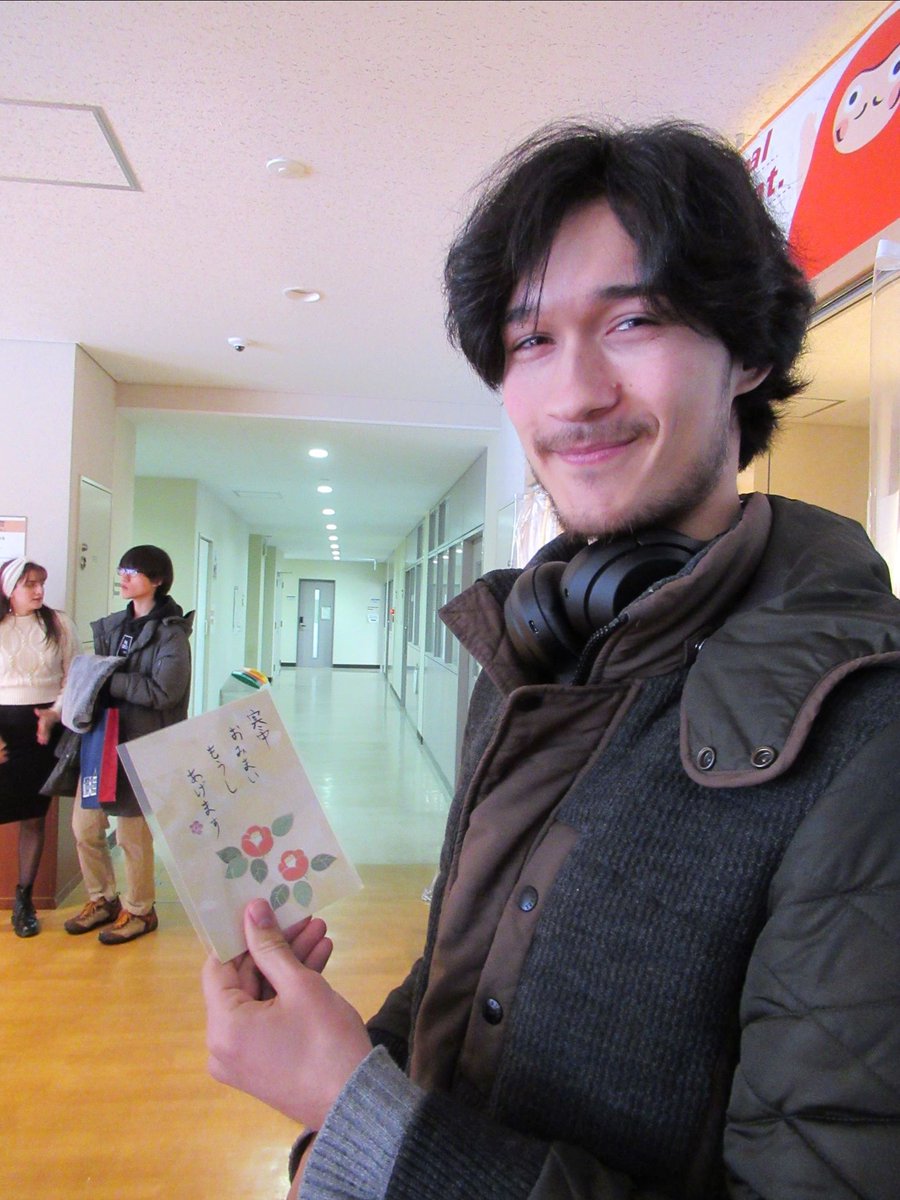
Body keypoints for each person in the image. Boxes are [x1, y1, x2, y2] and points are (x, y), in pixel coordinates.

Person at [202, 122, 900, 1199]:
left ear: (750, 352)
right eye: (530, 340)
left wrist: (355, 1112)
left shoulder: (868, 737)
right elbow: (460, 975)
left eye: (633, 321)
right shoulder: (530, 655)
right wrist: (342, 1084)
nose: (574, 394)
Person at [64, 544, 192, 944]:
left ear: (157, 580)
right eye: (122, 570)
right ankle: (102, 898)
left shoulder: (172, 635)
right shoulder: (114, 626)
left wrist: (110, 678)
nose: (124, 577)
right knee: (85, 826)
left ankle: (140, 909)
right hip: (101, 738)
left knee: (130, 835)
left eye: (133, 572)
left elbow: (164, 692)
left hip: (141, 742)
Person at [0, 558, 78, 937]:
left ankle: (24, 900)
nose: (39, 590)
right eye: (29, 584)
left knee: (33, 816)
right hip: (3, 730)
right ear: (9, 589)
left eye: (41, 583)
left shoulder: (59, 624)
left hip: (43, 732)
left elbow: (72, 677)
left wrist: (54, 714)